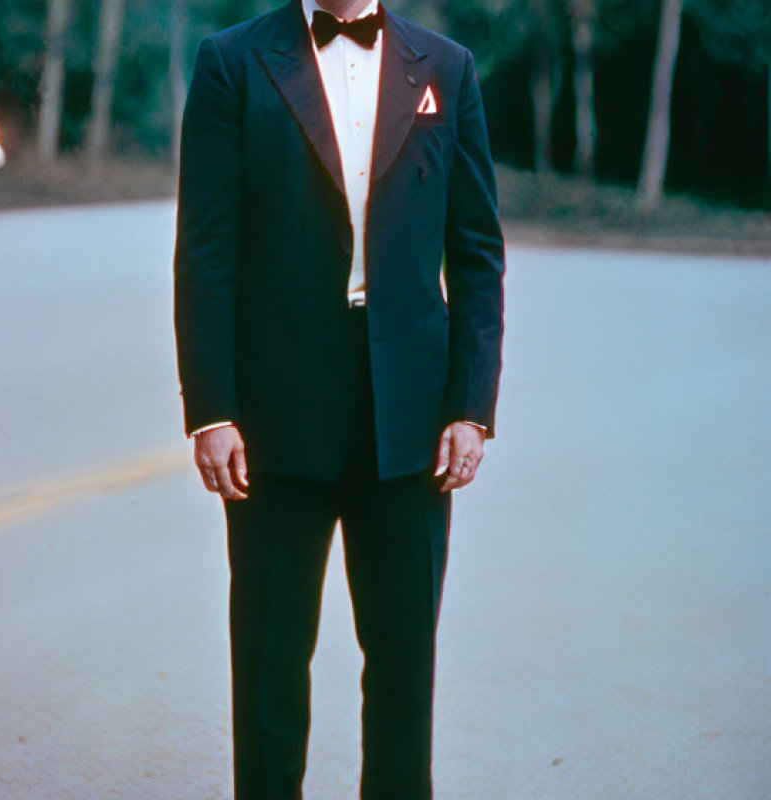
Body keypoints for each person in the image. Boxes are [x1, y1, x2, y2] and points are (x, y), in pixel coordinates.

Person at [173, 0, 504, 797]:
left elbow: (477, 249)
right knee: (269, 665)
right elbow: (205, 248)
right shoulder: (232, 61)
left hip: (411, 417)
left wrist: (471, 405)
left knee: (401, 668)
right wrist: (212, 409)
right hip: (273, 416)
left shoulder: (448, 68)